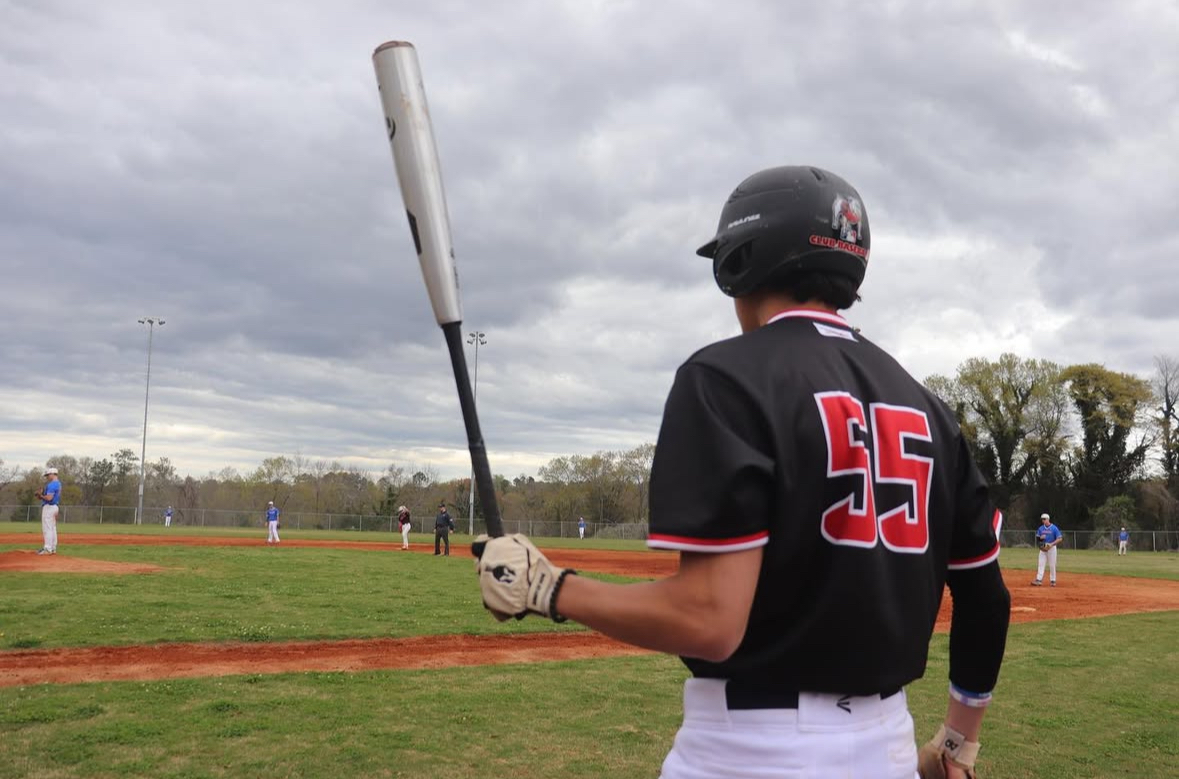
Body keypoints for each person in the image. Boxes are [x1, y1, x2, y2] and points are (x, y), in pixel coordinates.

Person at [474, 166, 1011, 779]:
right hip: (885, 747)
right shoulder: (928, 407)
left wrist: (548, 589)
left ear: (741, 262)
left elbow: (709, 620)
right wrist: (956, 748)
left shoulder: (725, 378)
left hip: (751, 754)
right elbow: (985, 599)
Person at [34, 467, 61, 555]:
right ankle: (52, 548)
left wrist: (41, 495)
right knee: (52, 528)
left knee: (47, 528)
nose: (47, 477)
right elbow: (46, 497)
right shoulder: (58, 484)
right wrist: (40, 495)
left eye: (48, 475)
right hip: (54, 507)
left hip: (49, 507)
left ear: (53, 474)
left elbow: (49, 498)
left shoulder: (52, 484)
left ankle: (48, 548)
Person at [1032, 513, 1061, 586]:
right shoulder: (1041, 528)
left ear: (1048, 519)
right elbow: (1037, 539)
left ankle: (1053, 581)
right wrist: (1040, 538)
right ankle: (1038, 580)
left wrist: (1052, 544)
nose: (1043, 520)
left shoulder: (1054, 528)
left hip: (1052, 548)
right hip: (1043, 548)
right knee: (1041, 564)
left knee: (1052, 565)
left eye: (1044, 519)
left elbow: (1060, 539)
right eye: (1042, 519)